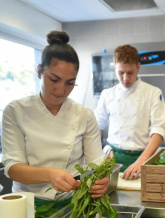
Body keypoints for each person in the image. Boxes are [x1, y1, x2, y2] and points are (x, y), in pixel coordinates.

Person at [1, 31, 109, 208]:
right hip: (28, 205)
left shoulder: (84, 115)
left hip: (72, 203)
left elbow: (96, 164)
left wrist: (103, 179)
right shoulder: (15, 111)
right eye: (54, 79)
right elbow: (13, 168)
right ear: (39, 72)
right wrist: (50, 174)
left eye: (70, 83)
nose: (61, 90)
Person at [94, 44, 165, 180]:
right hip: (112, 159)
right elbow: (97, 127)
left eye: (130, 72)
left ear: (138, 67)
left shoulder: (153, 93)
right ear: (115, 67)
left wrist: (141, 162)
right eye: (121, 73)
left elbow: (158, 132)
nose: (126, 78)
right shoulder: (107, 95)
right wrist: (100, 155)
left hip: (144, 158)